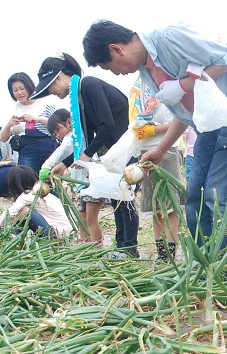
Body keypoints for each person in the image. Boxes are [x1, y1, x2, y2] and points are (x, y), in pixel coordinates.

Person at [82, 20, 227, 275]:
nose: (115, 74)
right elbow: (185, 112)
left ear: (116, 49)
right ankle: (203, 266)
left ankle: (221, 274)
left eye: (109, 67)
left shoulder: (168, 38)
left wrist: (184, 84)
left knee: (216, 198)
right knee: (194, 197)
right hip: (210, 120)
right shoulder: (148, 70)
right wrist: (162, 149)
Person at [30, 53, 140, 257]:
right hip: (115, 151)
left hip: (129, 147)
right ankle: (121, 247)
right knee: (116, 198)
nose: (52, 93)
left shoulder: (88, 85)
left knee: (125, 200)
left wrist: (87, 155)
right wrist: (65, 163)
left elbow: (107, 125)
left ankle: (130, 249)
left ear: (59, 77)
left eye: (50, 88)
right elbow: (86, 138)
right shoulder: (79, 98)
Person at [129, 75, 184, 263]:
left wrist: (152, 130)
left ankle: (169, 255)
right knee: (155, 206)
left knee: (170, 205)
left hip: (166, 148)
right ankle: (162, 254)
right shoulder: (138, 85)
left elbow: (179, 120)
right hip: (145, 150)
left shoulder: (164, 80)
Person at [44, 108, 109, 245]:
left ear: (68, 122)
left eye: (58, 130)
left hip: (91, 182)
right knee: (82, 219)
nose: (57, 135)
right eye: (54, 134)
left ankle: (97, 247)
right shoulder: (73, 140)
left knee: (91, 219)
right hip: (81, 185)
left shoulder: (74, 137)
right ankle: (83, 244)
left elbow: (60, 152)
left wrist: (46, 166)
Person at [0, 165, 72, 237]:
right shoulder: (42, 192)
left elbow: (9, 213)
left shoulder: (26, 196)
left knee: (22, 211)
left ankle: (18, 237)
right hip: (67, 232)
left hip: (55, 234)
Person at [0, 72, 59, 173]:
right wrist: (8, 125)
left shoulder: (45, 103)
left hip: (49, 148)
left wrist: (37, 119)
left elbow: (58, 124)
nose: (19, 93)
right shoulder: (15, 110)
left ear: (29, 86)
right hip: (27, 152)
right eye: (15, 90)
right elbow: (3, 138)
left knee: (52, 178)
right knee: (26, 179)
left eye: (22, 88)